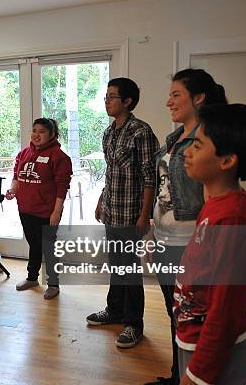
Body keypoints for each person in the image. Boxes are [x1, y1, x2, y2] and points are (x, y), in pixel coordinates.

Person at [175, 103, 246, 385]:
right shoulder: (217, 204)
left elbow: (226, 311)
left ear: (226, 161)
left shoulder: (234, 219)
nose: (187, 152)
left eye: (198, 145)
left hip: (215, 351)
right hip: (194, 335)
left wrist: (197, 376)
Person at [146, 69, 228, 385]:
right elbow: (165, 192)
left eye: (175, 94)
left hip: (191, 244)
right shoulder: (174, 138)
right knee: (174, 313)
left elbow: (214, 195)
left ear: (199, 98)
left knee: (194, 317)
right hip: (167, 240)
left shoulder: (208, 140)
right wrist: (154, 234)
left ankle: (194, 376)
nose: (168, 102)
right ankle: (177, 374)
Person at [86, 77, 159, 348]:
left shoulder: (141, 131)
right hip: (112, 209)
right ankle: (114, 310)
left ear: (127, 101)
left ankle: (133, 324)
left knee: (128, 269)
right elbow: (111, 173)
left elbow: (150, 177)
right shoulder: (109, 132)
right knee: (116, 264)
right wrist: (101, 200)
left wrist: (144, 215)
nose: (107, 101)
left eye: (112, 96)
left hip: (131, 213)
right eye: (105, 96)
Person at [6, 118, 72, 300]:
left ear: (52, 135)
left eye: (41, 131)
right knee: (34, 244)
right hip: (25, 208)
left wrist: (57, 211)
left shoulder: (59, 157)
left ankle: (53, 284)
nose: (36, 135)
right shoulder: (24, 153)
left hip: (46, 212)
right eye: (34, 130)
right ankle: (32, 278)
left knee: (48, 247)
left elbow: (62, 187)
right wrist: (13, 189)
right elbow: (16, 175)